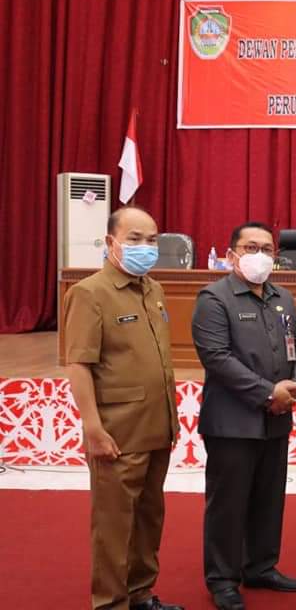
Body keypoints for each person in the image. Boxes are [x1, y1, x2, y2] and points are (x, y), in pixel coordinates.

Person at [63, 206, 182, 610]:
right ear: (111, 242)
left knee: (149, 518)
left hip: (156, 426)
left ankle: (141, 593)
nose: (145, 247)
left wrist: (171, 420)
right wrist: (93, 428)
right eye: (134, 239)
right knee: (114, 527)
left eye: (152, 240)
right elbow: (79, 364)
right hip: (117, 431)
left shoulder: (154, 289)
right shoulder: (89, 293)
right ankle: (111, 603)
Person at [192, 222, 296, 610]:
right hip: (233, 421)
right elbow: (217, 358)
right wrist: (268, 393)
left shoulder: (283, 297)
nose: (260, 255)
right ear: (231, 255)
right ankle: (223, 579)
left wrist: (295, 387)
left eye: (267, 249)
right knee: (229, 504)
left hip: (277, 417)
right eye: (250, 247)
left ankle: (260, 566)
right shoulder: (214, 298)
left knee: (268, 498)